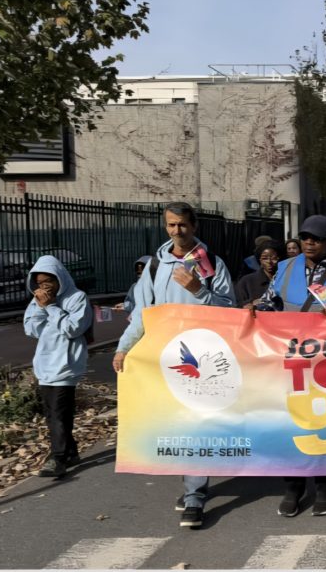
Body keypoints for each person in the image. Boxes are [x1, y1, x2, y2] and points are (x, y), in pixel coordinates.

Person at [112, 202, 235, 529]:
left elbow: (229, 310)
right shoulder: (155, 266)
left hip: (203, 357)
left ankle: (195, 496)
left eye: (182, 225)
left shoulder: (211, 264)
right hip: (165, 356)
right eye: (171, 225)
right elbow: (142, 313)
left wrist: (198, 290)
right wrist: (124, 347)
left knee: (196, 423)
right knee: (178, 425)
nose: (176, 231)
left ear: (194, 226)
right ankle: (192, 485)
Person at [253, 214, 326, 518]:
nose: (309, 243)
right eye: (305, 237)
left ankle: (325, 486)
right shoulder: (284, 268)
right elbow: (270, 303)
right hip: (289, 359)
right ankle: (293, 486)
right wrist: (254, 308)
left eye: (316, 238)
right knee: (290, 422)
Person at [24, 255, 93, 478]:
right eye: (40, 283)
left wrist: (52, 307)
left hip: (67, 364)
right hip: (45, 364)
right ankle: (70, 452)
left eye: (49, 281)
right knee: (53, 413)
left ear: (59, 278)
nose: (45, 286)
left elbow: (73, 329)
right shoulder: (39, 300)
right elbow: (31, 329)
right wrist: (40, 306)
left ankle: (58, 458)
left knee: (58, 413)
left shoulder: (77, 298)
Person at [235, 241, 281, 308]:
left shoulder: (287, 280)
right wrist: (250, 303)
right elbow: (236, 304)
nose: (269, 262)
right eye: (265, 258)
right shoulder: (246, 281)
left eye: (274, 258)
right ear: (260, 260)